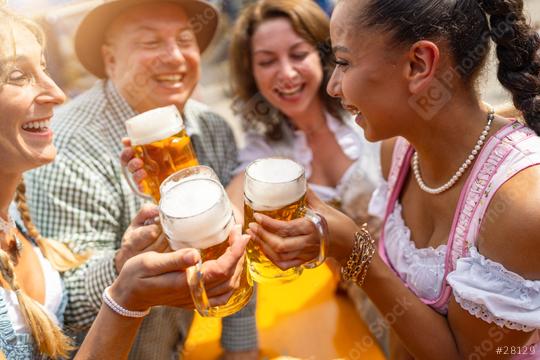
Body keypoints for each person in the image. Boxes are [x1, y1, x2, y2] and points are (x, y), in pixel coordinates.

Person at [246, 0, 540, 358]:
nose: (333, 87)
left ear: (419, 64)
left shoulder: (520, 205)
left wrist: (353, 249)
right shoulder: (397, 153)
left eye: (343, 62)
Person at [0, 4, 248, 359]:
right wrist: (123, 283)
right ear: (110, 60)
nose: (175, 56)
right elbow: (63, 325)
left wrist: (242, 347)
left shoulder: (212, 128)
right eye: (151, 42)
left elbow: (234, 251)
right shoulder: (63, 147)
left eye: (185, 39)